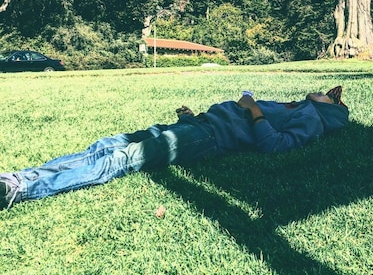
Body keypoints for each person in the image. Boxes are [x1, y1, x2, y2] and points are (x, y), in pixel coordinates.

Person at [0, 86, 349, 210]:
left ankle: (20, 189)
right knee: (107, 144)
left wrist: (252, 107)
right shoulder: (296, 107)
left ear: (332, 108)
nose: (325, 91)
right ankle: (20, 176)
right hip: (197, 124)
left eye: (331, 95)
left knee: (122, 159)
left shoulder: (313, 119)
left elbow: (276, 146)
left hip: (207, 138)